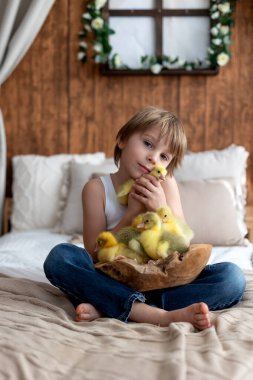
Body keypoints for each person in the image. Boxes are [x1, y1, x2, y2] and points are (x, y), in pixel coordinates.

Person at [44, 106, 246, 330]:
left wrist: (161, 208)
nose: (153, 158)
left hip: (161, 281)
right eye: (148, 144)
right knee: (60, 257)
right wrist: (131, 214)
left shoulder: (167, 184)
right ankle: (159, 315)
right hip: (111, 278)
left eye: (164, 156)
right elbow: (93, 254)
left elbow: (183, 248)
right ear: (122, 139)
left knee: (232, 278)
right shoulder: (96, 189)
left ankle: (111, 307)